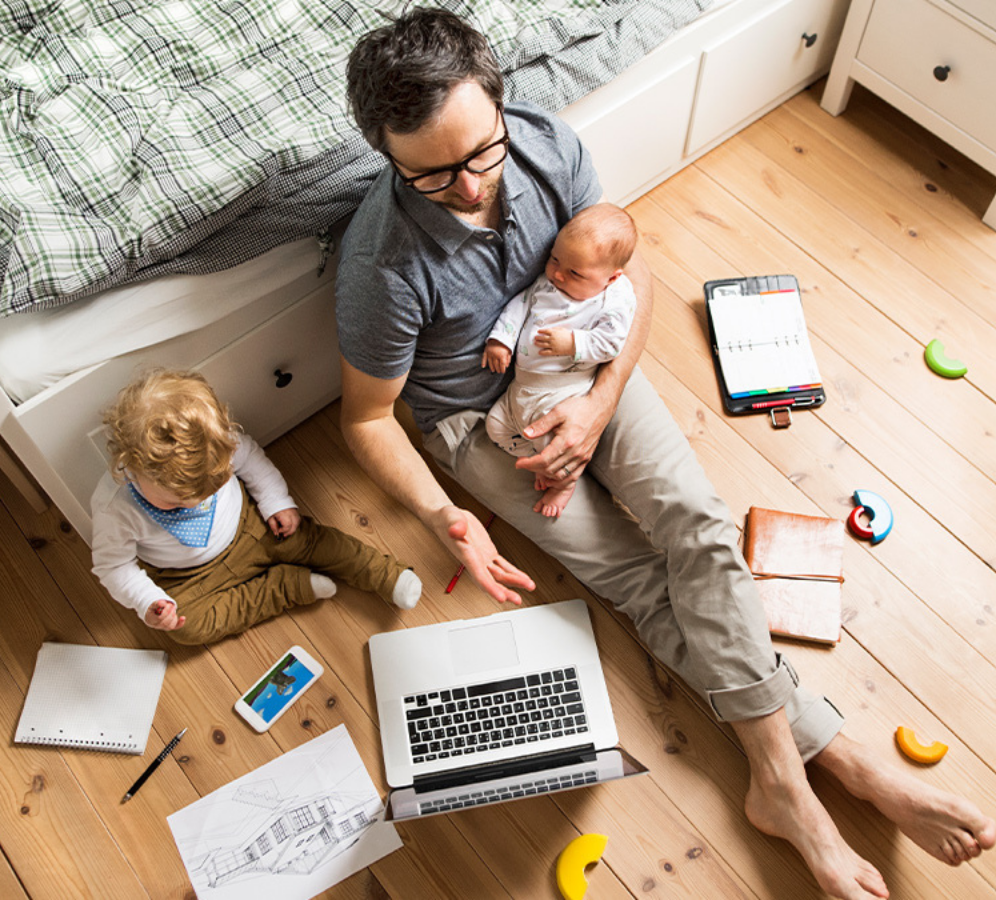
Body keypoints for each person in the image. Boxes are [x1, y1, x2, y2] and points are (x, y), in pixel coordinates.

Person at [335, 8, 994, 899]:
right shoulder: (379, 266)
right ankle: (825, 768)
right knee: (639, 578)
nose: (467, 187)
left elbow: (630, 272)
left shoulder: (542, 144)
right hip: (480, 418)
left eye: (479, 153)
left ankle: (788, 782)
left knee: (700, 526)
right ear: (386, 155)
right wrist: (447, 515)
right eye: (431, 173)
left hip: (581, 362)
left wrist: (600, 408)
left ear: (499, 107)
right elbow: (367, 419)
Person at [91, 368, 421, 645]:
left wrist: (276, 502)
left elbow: (253, 464)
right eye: (176, 502)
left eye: (212, 488)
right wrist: (149, 602)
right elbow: (114, 567)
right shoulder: (115, 506)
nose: (199, 503)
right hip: (187, 576)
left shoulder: (218, 441)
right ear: (130, 465)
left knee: (314, 540)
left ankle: (385, 574)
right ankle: (285, 587)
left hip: (254, 526)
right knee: (187, 628)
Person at [482, 203, 637, 517]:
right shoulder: (548, 281)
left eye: (575, 273)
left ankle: (564, 482)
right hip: (521, 388)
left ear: (611, 278)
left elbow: (611, 343)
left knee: (556, 443)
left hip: (560, 392)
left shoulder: (614, 299)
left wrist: (573, 343)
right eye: (554, 258)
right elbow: (521, 305)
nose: (556, 274)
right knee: (495, 426)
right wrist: (501, 339)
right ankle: (543, 460)